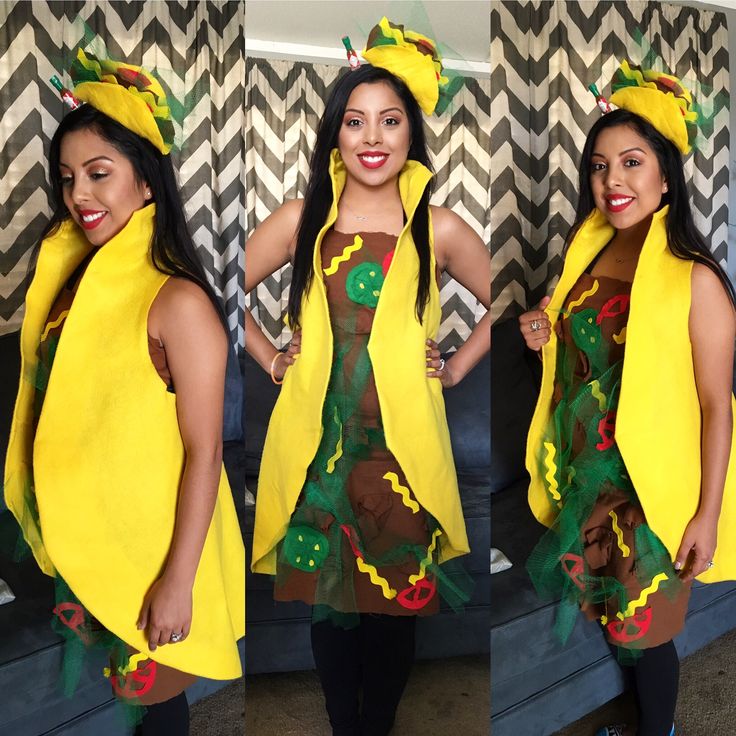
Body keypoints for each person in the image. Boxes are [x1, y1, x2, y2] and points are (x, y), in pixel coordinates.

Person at [246, 18, 490, 736]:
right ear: (335, 135)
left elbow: (508, 301)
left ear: (412, 133)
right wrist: (268, 355)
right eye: (355, 122)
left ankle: (377, 724)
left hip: (400, 452)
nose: (373, 137)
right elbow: (210, 293)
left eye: (390, 120)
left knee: (392, 609)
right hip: (322, 447)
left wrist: (455, 365)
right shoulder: (301, 218)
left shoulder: (437, 227)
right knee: (333, 603)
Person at [3, 50, 245, 734]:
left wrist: (176, 581)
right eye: (69, 178)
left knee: (157, 704)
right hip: (91, 531)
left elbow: (204, 453)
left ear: (146, 182)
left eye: (99, 173)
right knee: (129, 693)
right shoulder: (77, 285)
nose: (80, 194)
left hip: (153, 545)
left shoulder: (178, 301)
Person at [519, 61, 736, 736]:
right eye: (600, 165)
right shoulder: (585, 258)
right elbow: (584, 356)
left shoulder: (697, 280)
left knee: (646, 630)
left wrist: (705, 512)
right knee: (617, 617)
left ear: (665, 175)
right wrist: (540, 334)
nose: (613, 181)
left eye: (632, 162)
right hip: (590, 477)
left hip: (650, 489)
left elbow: (714, 404)